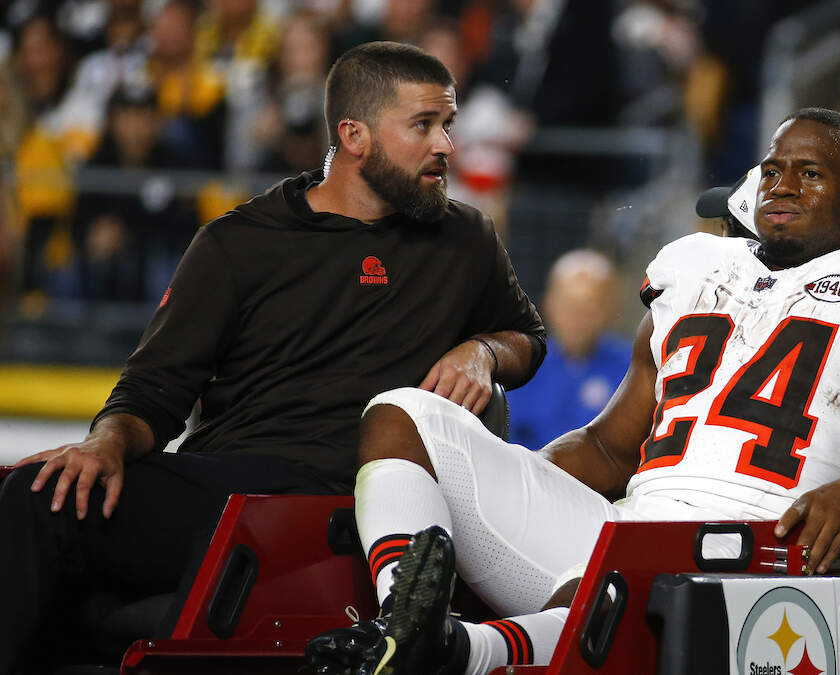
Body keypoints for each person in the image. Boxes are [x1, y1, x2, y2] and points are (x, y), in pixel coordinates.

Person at [308, 108, 840, 675]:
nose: (783, 185)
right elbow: (607, 445)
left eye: (811, 173)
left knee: (603, 580)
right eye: (773, 170)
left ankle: (458, 649)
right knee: (405, 413)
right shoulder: (694, 269)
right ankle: (404, 618)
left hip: (748, 542)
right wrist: (501, 487)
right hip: (630, 520)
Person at [0, 42, 546, 671]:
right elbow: (153, 390)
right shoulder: (238, 243)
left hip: (352, 505)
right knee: (44, 491)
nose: (447, 145)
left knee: (35, 511)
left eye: (447, 124)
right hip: (234, 487)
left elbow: (525, 337)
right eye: (424, 126)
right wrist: (106, 444)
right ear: (355, 135)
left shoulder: (466, 236)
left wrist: (482, 352)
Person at [507, 250, 631, 448]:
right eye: (569, 305)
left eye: (589, 308)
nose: (577, 318)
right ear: (548, 305)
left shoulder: (633, 368)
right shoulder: (521, 363)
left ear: (611, 309)